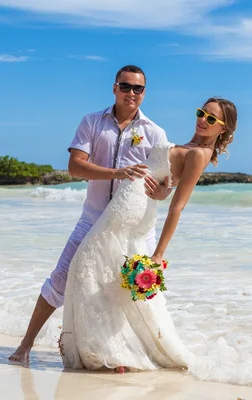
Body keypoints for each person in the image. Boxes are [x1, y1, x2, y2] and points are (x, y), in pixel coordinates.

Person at [59, 97, 237, 372]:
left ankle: (112, 350)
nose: (203, 120)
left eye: (211, 119)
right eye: (202, 113)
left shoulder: (199, 154)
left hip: (132, 210)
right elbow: (169, 180)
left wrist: (159, 253)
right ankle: (108, 348)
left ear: (223, 129)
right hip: (127, 202)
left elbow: (178, 206)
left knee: (87, 263)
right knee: (97, 269)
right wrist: (165, 188)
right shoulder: (188, 146)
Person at [9, 65, 173, 363]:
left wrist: (161, 192)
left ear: (145, 93)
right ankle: (25, 346)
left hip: (134, 230)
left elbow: (164, 187)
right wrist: (118, 172)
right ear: (114, 88)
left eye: (138, 89)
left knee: (136, 292)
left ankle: (131, 356)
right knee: (60, 279)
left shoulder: (155, 133)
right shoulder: (92, 122)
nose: (131, 93)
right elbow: (75, 166)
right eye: (125, 86)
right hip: (92, 220)